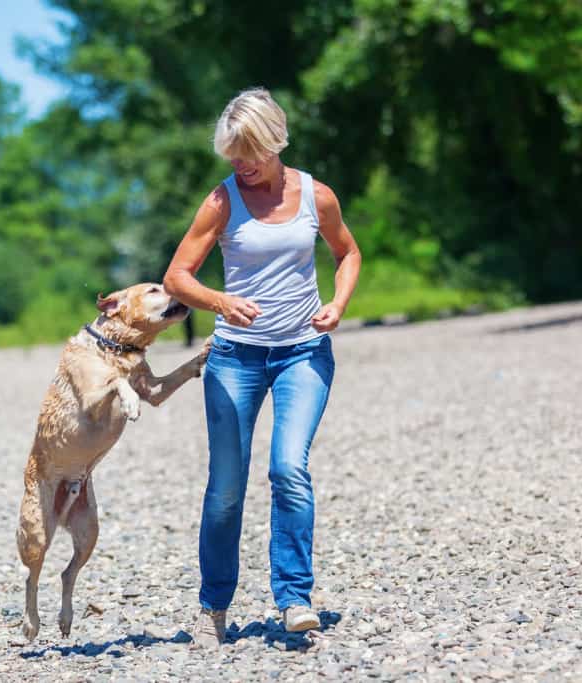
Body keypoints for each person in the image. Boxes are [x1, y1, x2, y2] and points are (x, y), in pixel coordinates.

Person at [162, 87, 362, 648]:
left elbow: (347, 252)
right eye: (232, 154)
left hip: (303, 351)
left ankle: (295, 598)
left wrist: (338, 304)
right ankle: (213, 607)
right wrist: (222, 302)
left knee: (288, 469)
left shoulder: (315, 196)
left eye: (248, 152)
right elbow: (178, 275)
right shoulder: (221, 203)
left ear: (274, 141)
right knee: (226, 488)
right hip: (235, 359)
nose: (240, 164)